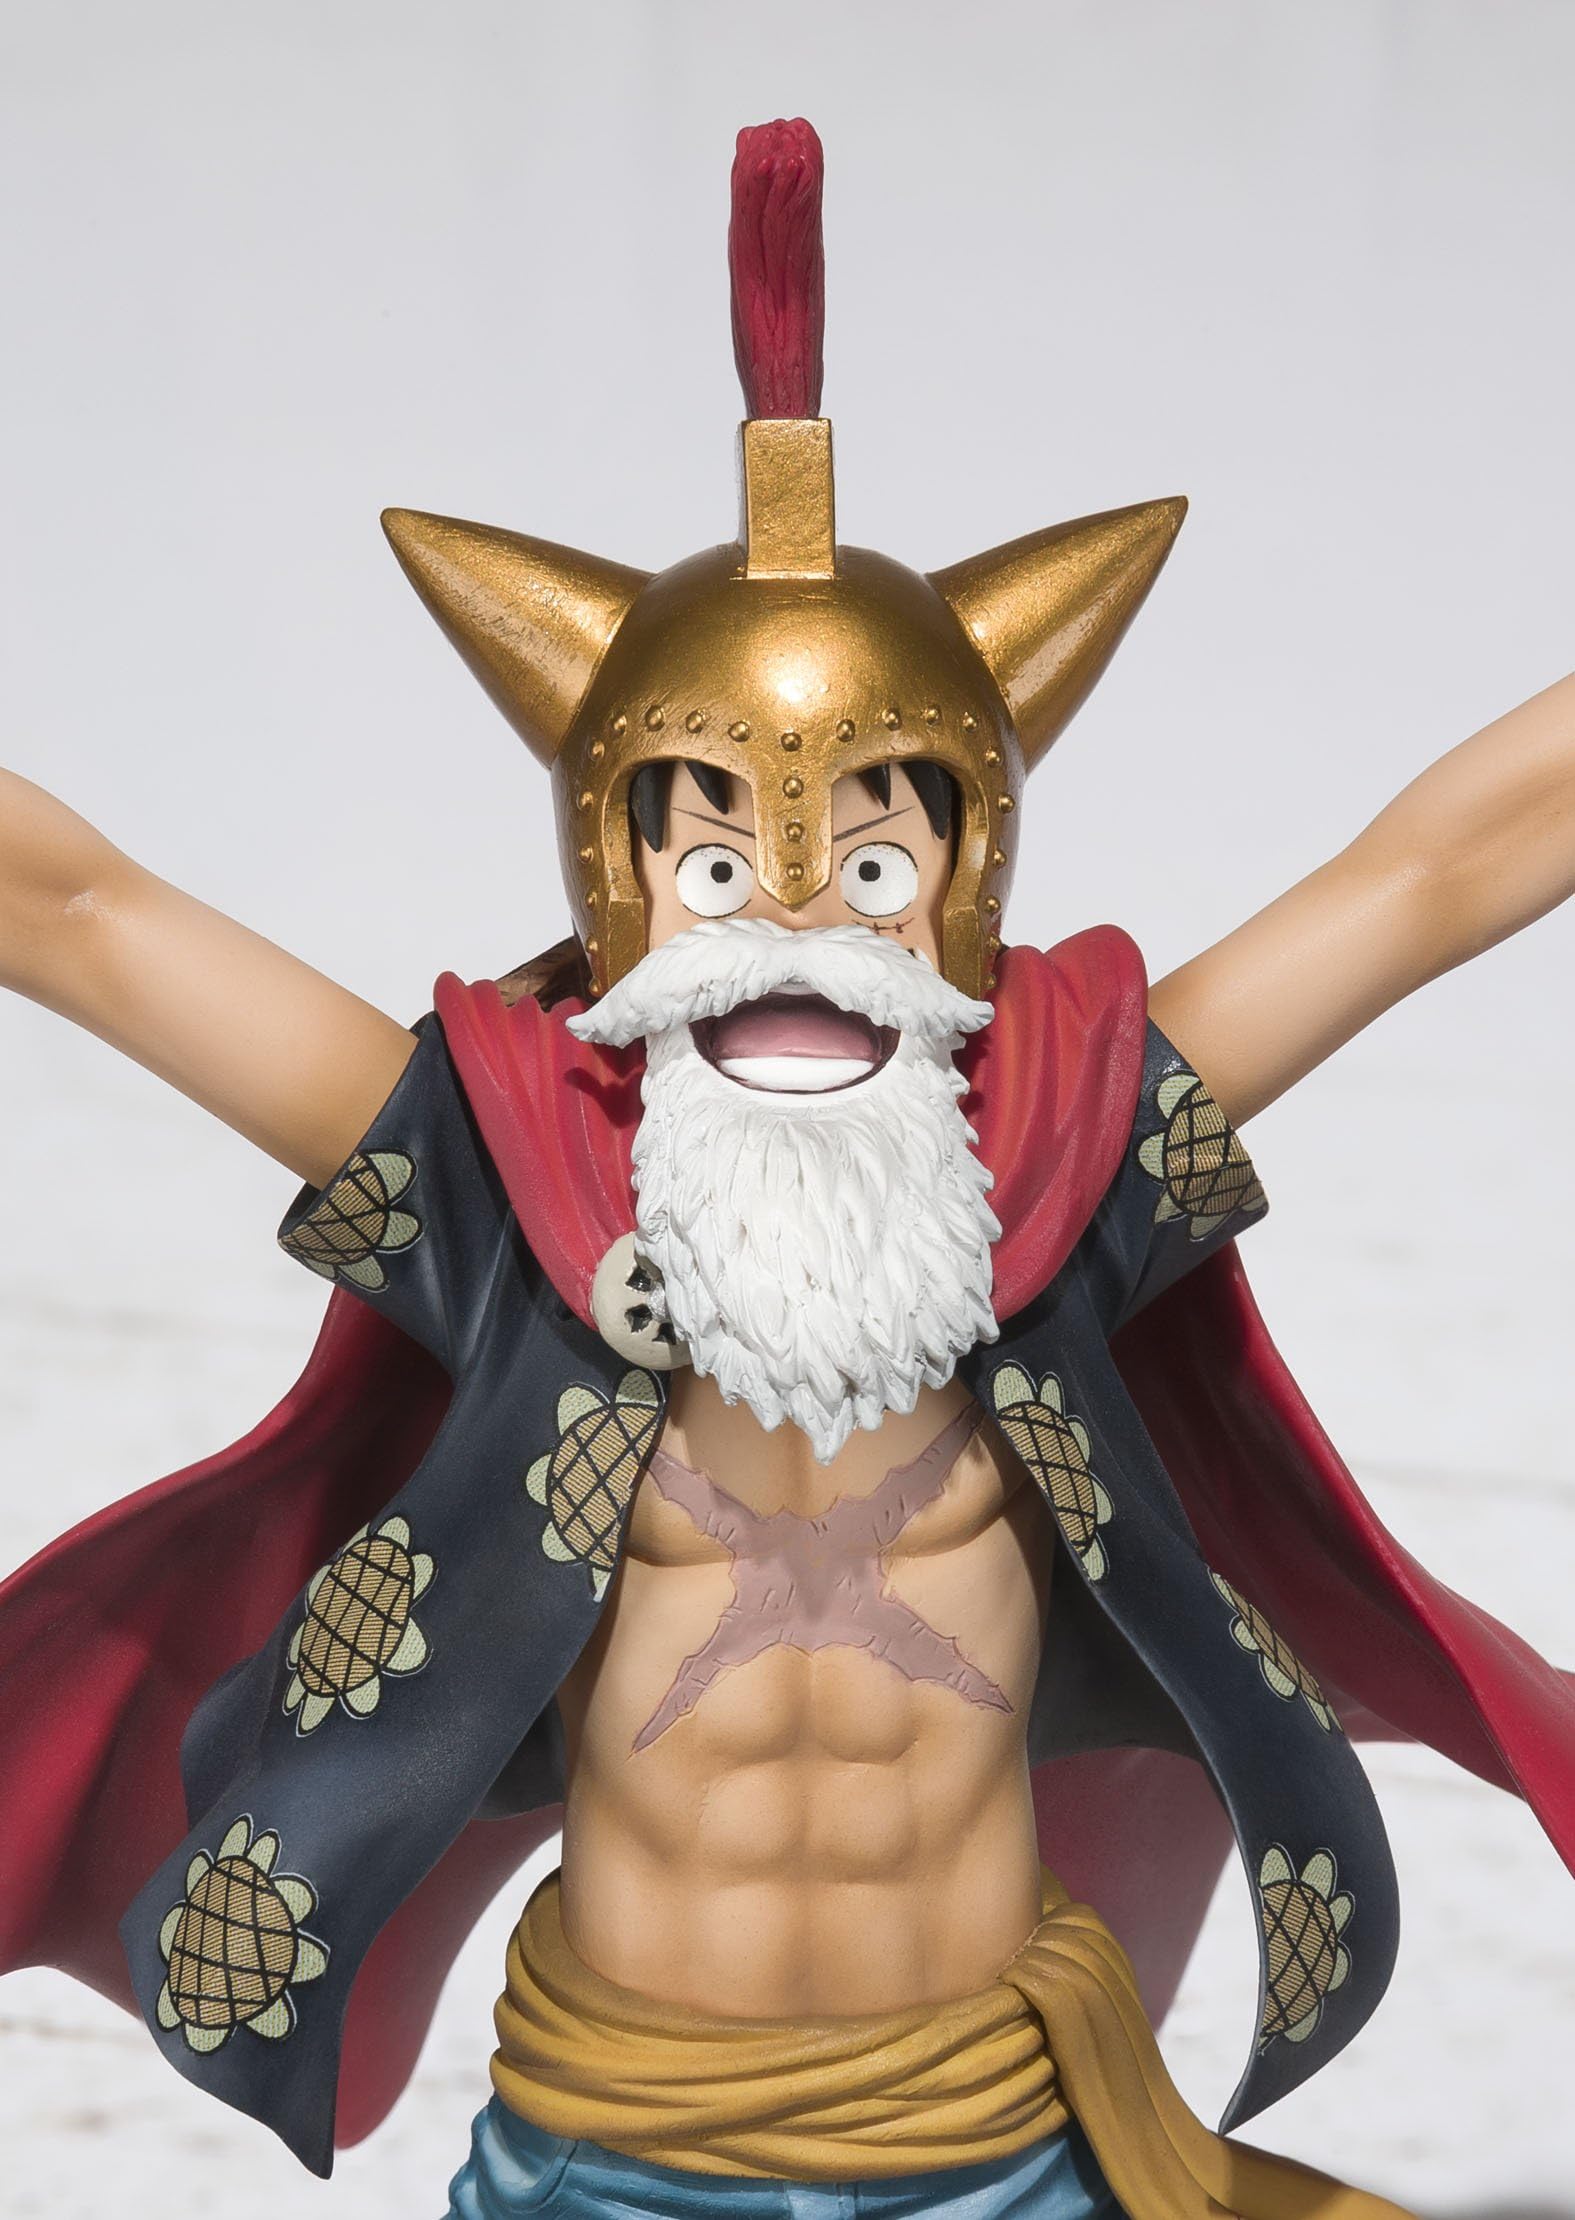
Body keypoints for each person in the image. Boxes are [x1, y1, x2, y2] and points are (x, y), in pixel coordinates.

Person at [1, 117, 1572, 2219]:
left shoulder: (1066, 1166)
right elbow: (82, 916)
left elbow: (1429, 876)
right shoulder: (501, 1188)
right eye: (726, 865)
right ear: (626, 882)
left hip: (987, 2141)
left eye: (875, 865)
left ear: (963, 880)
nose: (802, 924)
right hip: (612, 2153)